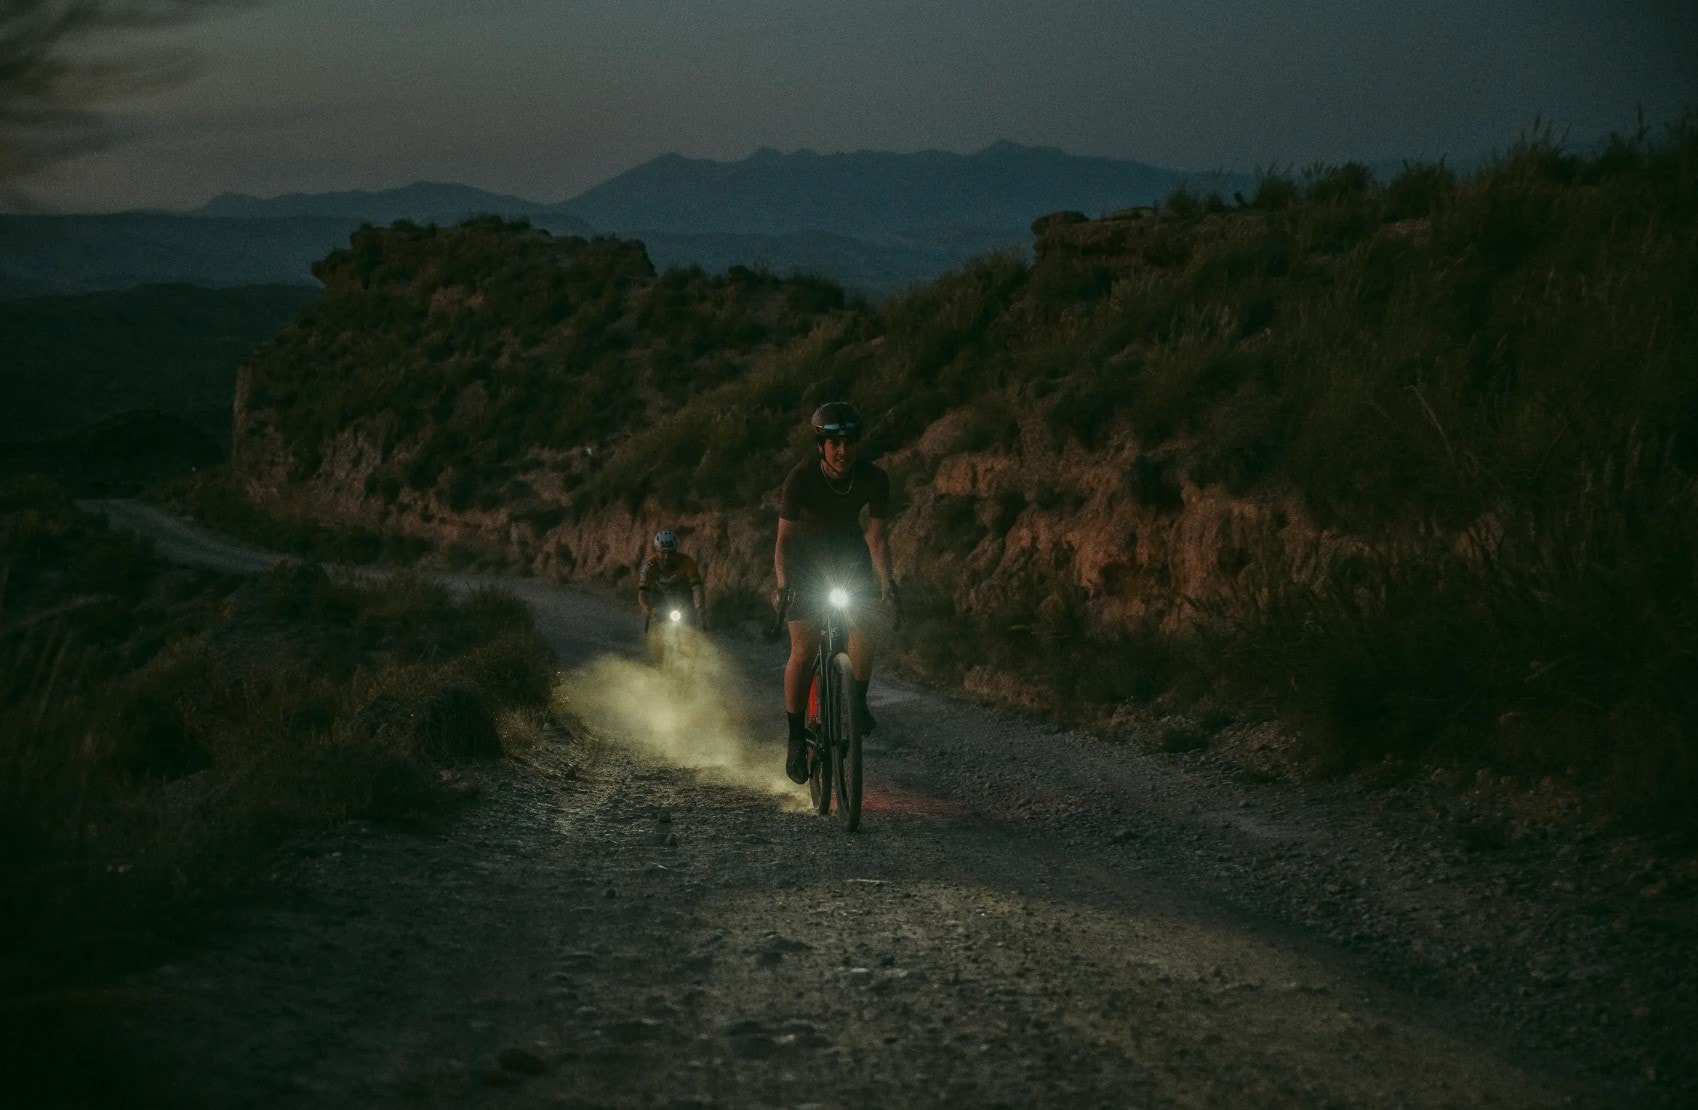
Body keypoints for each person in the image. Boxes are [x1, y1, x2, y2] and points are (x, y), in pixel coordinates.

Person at [772, 402, 898, 784]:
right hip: (805, 565)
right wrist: (783, 584)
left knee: (865, 623)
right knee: (804, 649)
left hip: (849, 559)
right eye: (834, 443)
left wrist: (887, 584)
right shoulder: (801, 479)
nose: (843, 450)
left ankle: (856, 702)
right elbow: (783, 542)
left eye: (850, 442)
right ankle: (796, 738)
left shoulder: (874, 477)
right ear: (821, 445)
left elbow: (876, 538)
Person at [637, 529, 706, 631]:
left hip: (682, 595)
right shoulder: (648, 566)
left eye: (671, 552)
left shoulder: (687, 562)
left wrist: (699, 606)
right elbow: (642, 591)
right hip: (660, 595)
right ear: (656, 551)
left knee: (690, 620)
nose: (666, 557)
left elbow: (697, 587)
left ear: (676, 550)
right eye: (662, 552)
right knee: (658, 618)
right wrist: (645, 607)